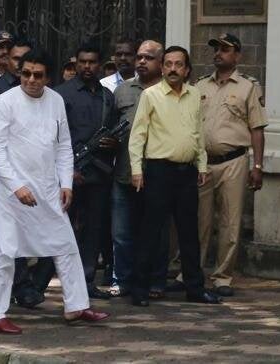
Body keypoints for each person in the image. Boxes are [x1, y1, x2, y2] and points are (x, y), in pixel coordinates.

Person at [0, 49, 110, 334]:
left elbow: (64, 146)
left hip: (48, 188)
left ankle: (77, 306)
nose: (30, 79)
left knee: (66, 245)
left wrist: (66, 184)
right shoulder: (4, 103)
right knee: (6, 251)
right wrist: (17, 187)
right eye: (25, 73)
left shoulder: (55, 101)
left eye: (37, 75)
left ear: (48, 77)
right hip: (11, 193)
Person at [171, 34, 267, 297]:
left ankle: (223, 276)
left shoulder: (248, 88)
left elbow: (257, 129)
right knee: (196, 221)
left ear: (237, 55)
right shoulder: (199, 87)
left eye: (225, 49)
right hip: (201, 163)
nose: (218, 53)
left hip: (233, 161)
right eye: (215, 49)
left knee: (229, 222)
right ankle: (190, 272)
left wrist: (257, 165)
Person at [128, 46, 221, 307]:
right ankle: (139, 289)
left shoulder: (194, 95)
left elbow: (198, 133)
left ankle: (195, 288)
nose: (172, 69)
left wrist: (201, 165)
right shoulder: (151, 95)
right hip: (158, 172)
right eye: (168, 63)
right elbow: (138, 135)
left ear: (187, 69)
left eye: (178, 64)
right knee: (150, 232)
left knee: (189, 233)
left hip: (187, 174)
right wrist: (137, 170)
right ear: (162, 67)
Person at [33, 43, 117, 300]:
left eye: (92, 62)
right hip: (68, 176)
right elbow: (50, 138)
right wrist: (66, 172)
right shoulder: (60, 95)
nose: (87, 67)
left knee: (93, 232)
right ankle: (36, 287)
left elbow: (112, 131)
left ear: (100, 65)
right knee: (58, 230)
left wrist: (113, 143)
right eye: (82, 62)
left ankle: (86, 283)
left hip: (99, 174)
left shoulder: (107, 96)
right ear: (76, 63)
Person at [0, 38, 45, 308]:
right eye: (16, 60)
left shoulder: (38, 91)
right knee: (6, 227)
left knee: (8, 229)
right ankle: (21, 286)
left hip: (28, 172)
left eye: (26, 60)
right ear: (6, 60)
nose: (21, 65)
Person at [110, 40, 166, 298]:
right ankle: (124, 281)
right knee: (122, 233)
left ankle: (155, 282)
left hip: (157, 175)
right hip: (124, 173)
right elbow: (111, 126)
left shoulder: (169, 91)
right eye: (139, 57)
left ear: (161, 62)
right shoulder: (122, 91)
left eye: (148, 57)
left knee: (155, 232)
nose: (141, 61)